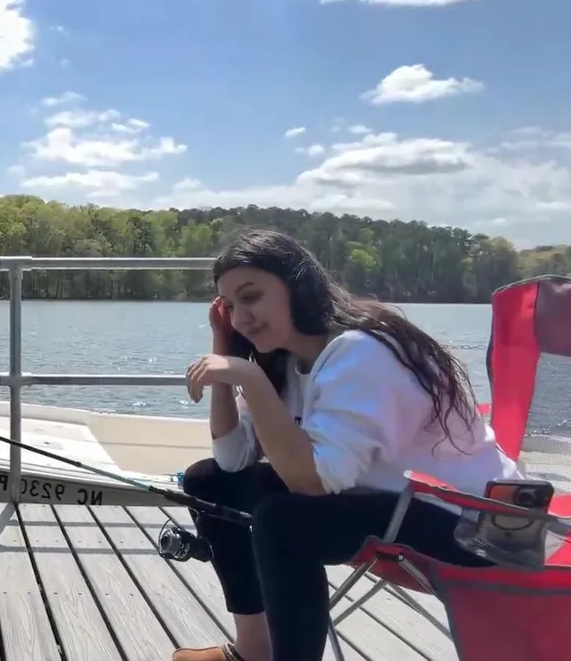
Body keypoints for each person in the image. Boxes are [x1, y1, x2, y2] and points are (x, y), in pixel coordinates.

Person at [173, 228, 521, 661]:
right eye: (229, 306)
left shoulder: (361, 352)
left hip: (477, 523)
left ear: (297, 285)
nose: (240, 317)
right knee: (209, 482)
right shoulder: (284, 360)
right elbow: (230, 461)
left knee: (284, 521)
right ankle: (253, 649)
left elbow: (313, 483)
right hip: (393, 501)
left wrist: (248, 378)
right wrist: (225, 349)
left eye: (251, 297)